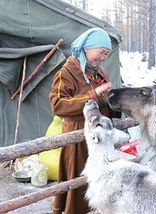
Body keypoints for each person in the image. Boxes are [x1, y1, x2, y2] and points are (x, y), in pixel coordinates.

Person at [49, 27, 119, 214]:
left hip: (100, 135)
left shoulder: (99, 72)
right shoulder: (67, 73)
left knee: (100, 181)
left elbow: (104, 98)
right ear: (87, 48)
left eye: (106, 54)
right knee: (79, 181)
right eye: (101, 52)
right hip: (78, 136)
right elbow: (58, 104)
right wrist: (92, 95)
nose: (103, 57)